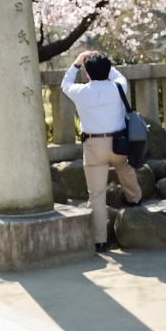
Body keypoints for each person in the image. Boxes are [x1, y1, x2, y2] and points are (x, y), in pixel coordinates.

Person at [61, 50, 143, 253]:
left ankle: (100, 241)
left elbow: (65, 84)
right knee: (124, 168)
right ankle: (135, 200)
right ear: (107, 70)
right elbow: (119, 76)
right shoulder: (118, 87)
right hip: (118, 143)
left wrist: (77, 63)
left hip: (94, 146)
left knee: (96, 194)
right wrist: (105, 63)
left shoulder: (80, 92)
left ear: (87, 73)